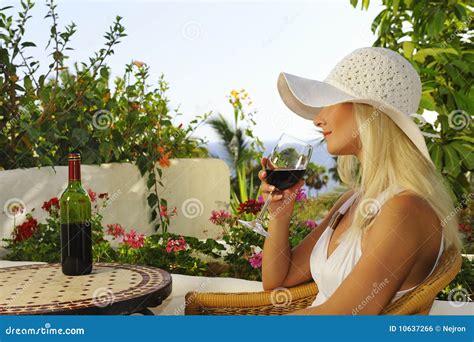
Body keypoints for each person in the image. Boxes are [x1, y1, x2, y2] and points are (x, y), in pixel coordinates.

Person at [259, 47, 462, 315]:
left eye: (329, 102)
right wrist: (280, 213)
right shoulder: (353, 200)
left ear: (369, 113)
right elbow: (277, 281)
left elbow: (343, 320)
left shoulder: (405, 210)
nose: (318, 120)